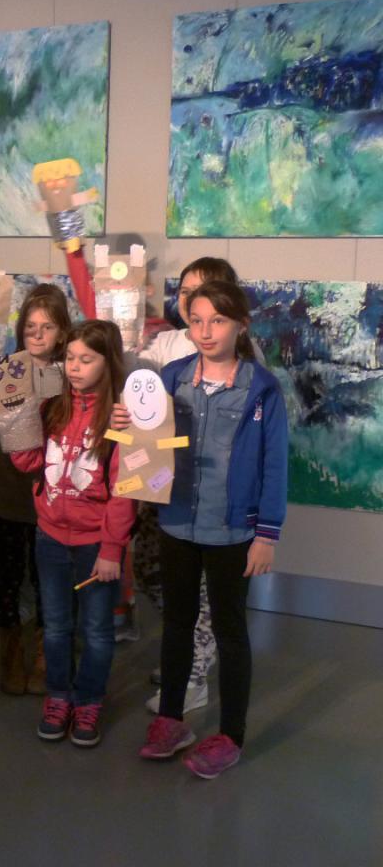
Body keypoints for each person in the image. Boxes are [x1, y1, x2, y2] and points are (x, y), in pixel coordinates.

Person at [139, 280, 287, 779]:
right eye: (197, 320)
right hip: (177, 521)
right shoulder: (173, 376)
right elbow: (148, 439)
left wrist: (266, 534)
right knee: (177, 624)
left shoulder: (262, 388)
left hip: (233, 530)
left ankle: (230, 735)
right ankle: (171, 720)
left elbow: (274, 465)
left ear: (240, 325)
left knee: (229, 631)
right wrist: (130, 422)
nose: (205, 331)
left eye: (217, 321)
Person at [118, 257, 241, 714]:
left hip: (212, 494)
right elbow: (134, 377)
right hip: (162, 484)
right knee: (150, 568)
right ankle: (185, 651)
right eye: (185, 291)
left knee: (204, 588)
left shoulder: (243, 357)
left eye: (202, 291)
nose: (191, 300)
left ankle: (193, 676)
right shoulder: (167, 343)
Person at [11, 320, 135, 747]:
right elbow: (30, 464)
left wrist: (112, 549)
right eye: (70, 358)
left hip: (95, 544)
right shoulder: (53, 409)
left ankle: (89, 700)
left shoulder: (120, 419)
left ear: (108, 362)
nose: (75, 367)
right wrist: (18, 424)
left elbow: (125, 489)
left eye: (87, 359)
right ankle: (59, 696)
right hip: (50, 538)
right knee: (56, 627)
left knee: (97, 630)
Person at [0, 284, 69, 695]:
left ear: (62, 331)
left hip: (51, 493)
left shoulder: (70, 373)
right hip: (8, 490)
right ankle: (10, 652)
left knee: (46, 578)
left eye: (47, 327)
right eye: (31, 326)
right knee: (7, 575)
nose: (37, 334)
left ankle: (44, 653)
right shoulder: (4, 369)